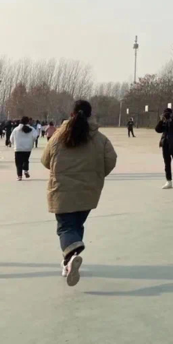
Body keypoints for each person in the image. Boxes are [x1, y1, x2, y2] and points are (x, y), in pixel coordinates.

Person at [41, 100, 117, 287]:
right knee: (76, 226)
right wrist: (97, 175)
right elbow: (111, 160)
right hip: (89, 191)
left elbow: (45, 160)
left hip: (62, 190)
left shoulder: (58, 136)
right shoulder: (100, 139)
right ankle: (68, 263)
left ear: (71, 114)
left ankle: (71, 255)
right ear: (90, 115)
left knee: (65, 228)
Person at [155, 108, 173, 190]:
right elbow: (157, 129)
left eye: (168, 114)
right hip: (165, 144)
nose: (166, 115)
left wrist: (171, 121)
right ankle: (168, 181)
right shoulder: (164, 121)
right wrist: (161, 121)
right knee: (167, 164)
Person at [10, 116, 39, 181]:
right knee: (26, 160)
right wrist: (31, 141)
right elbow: (35, 136)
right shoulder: (32, 129)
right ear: (28, 121)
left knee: (18, 163)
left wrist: (14, 144)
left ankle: (19, 176)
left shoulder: (16, 129)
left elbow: (11, 139)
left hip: (18, 148)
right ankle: (26, 170)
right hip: (28, 148)